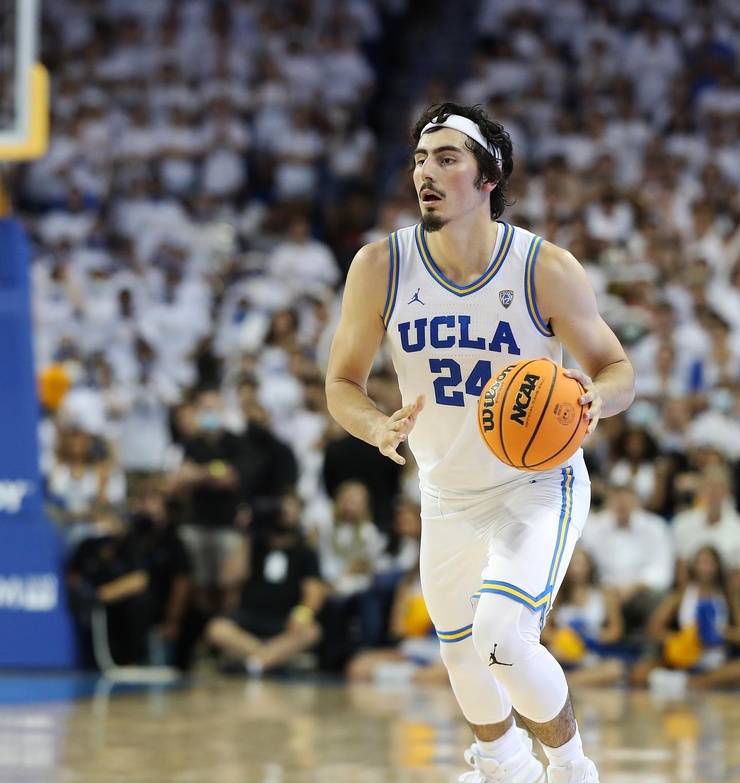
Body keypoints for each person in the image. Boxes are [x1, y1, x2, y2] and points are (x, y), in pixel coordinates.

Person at [325, 101, 635, 783]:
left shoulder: (543, 267)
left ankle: (572, 769)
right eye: (419, 159)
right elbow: (341, 383)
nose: (425, 173)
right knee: (460, 653)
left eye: (446, 159)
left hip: (535, 484)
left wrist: (595, 396)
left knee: (501, 637)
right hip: (444, 490)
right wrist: (375, 424)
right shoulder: (380, 266)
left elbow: (619, 369)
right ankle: (503, 767)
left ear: (488, 177)